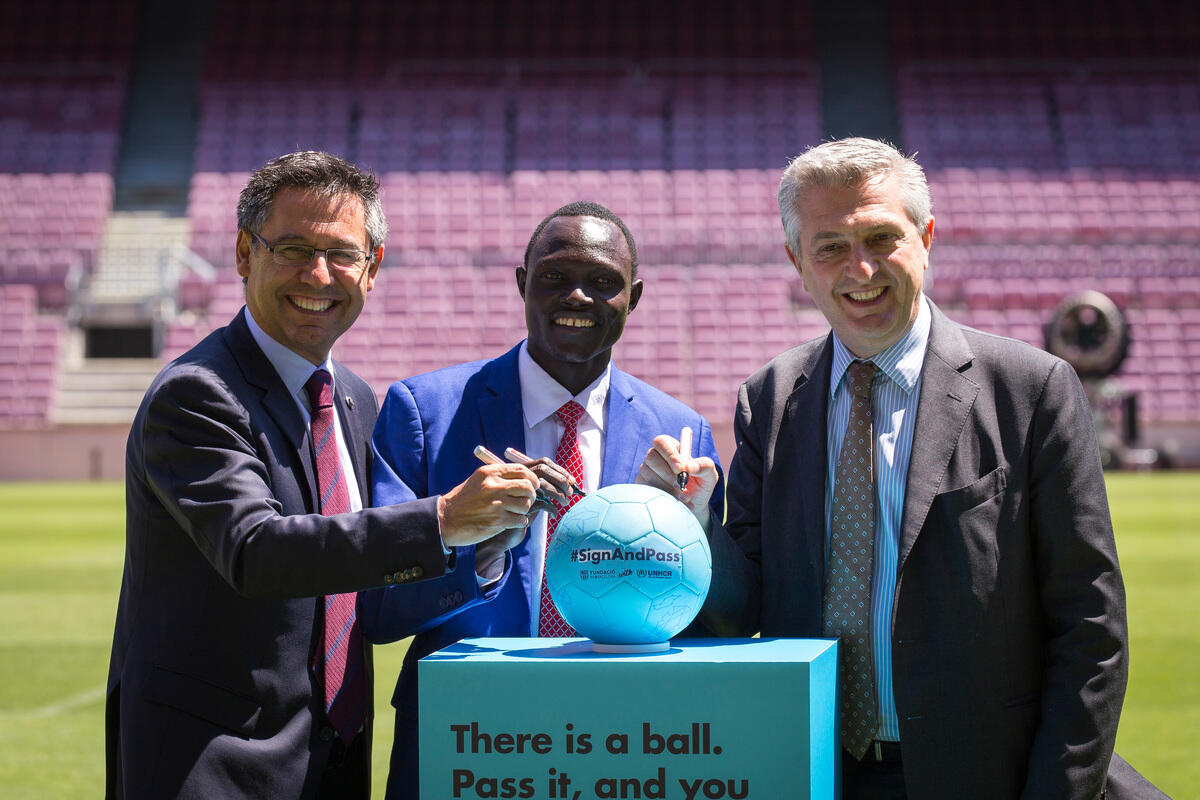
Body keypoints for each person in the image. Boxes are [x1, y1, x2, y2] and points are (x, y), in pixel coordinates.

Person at [638, 138, 1131, 799]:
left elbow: (1091, 627)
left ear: (926, 237)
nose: (860, 267)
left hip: (987, 777)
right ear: (797, 261)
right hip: (816, 772)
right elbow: (740, 609)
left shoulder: (1031, 389)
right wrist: (692, 525)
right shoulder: (771, 396)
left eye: (880, 237)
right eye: (831, 246)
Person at [105, 151, 540, 800]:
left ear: (373, 269)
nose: (318, 273)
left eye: (341, 253)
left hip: (333, 760)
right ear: (245, 255)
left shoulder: (356, 401)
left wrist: (480, 542)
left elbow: (365, 584)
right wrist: (443, 519)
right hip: (210, 768)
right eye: (292, 248)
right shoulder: (198, 394)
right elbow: (258, 552)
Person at [360, 201, 725, 800]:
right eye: (555, 277)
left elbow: (707, 618)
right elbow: (375, 612)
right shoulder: (424, 414)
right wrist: (478, 552)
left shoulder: (680, 431)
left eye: (603, 282)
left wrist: (694, 532)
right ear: (522, 284)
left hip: (626, 743)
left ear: (632, 299)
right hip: (467, 739)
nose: (577, 296)